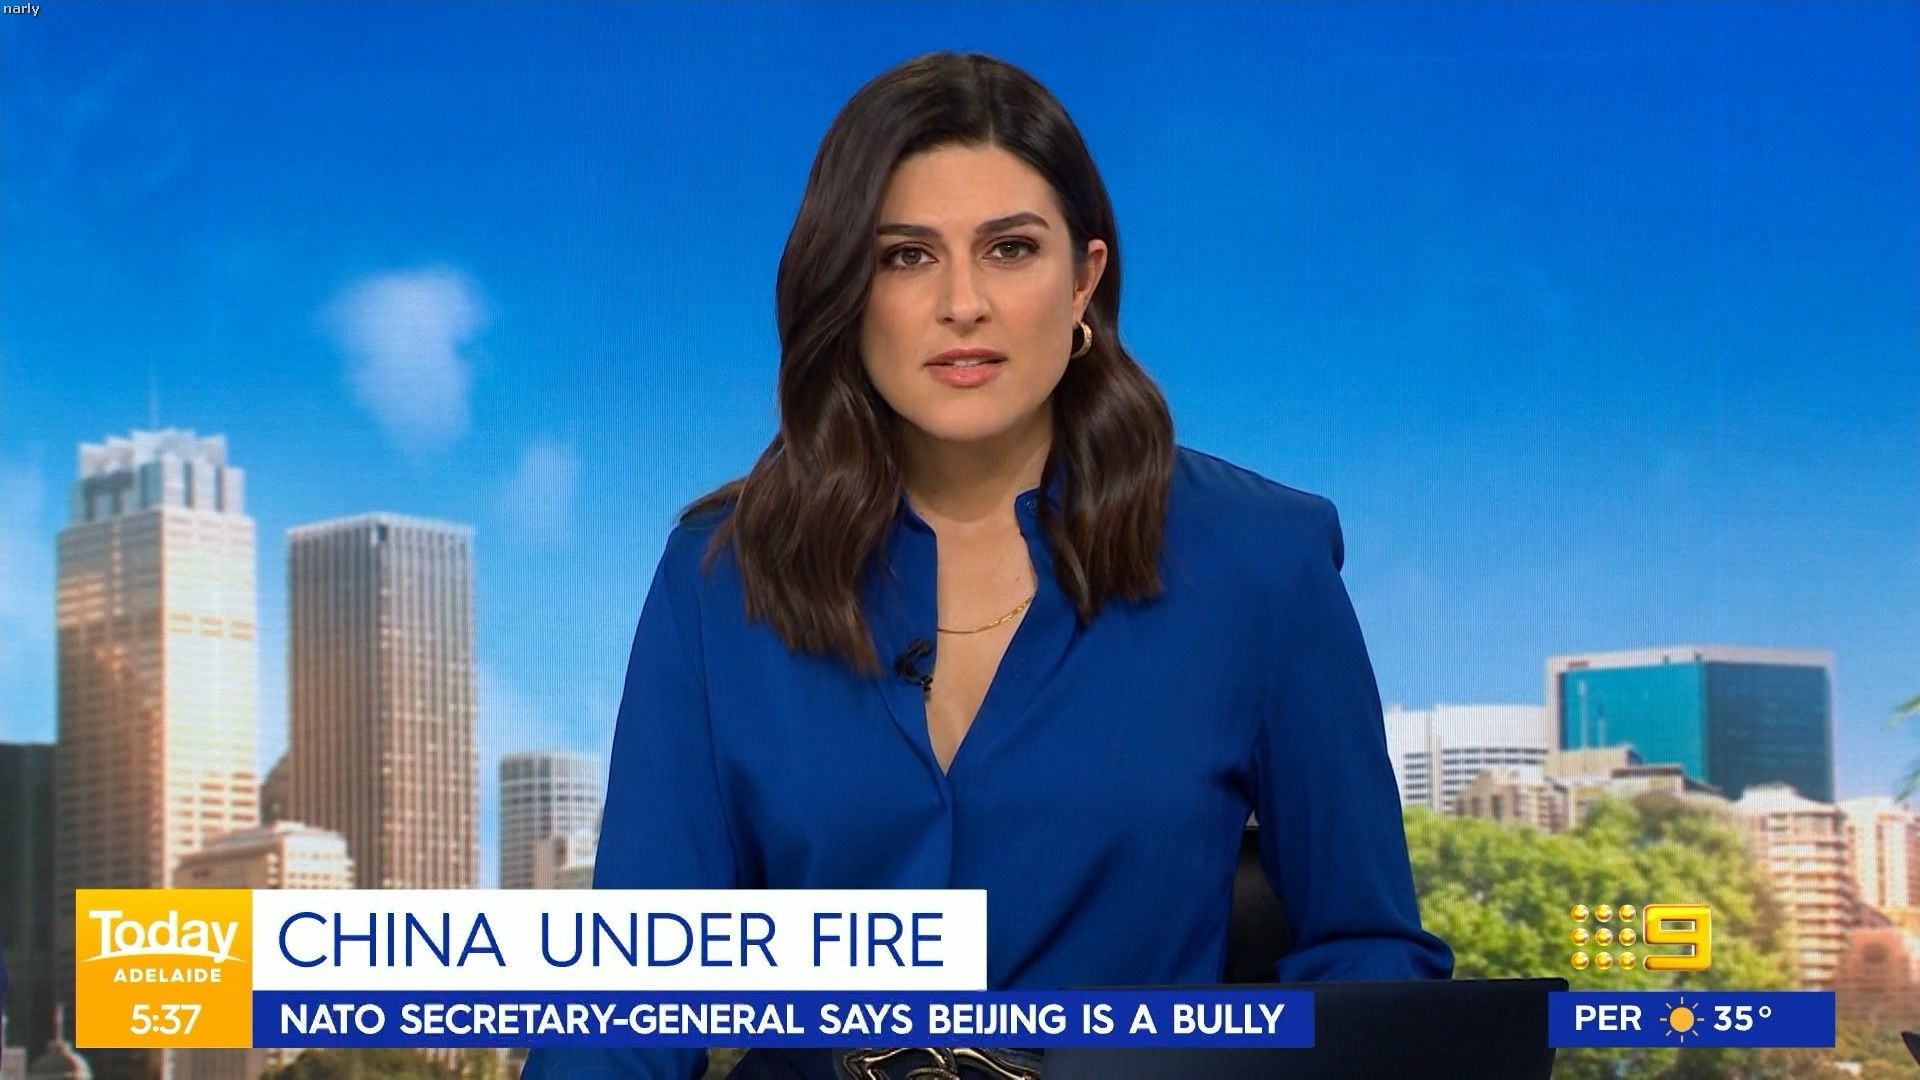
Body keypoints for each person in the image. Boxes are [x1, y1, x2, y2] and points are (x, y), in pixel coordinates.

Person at [522, 50, 1451, 1080]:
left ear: (1084, 279)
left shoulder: (1262, 562)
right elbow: (628, 1005)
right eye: (905, 257)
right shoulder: (718, 581)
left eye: (1010, 249)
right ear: (846, 291)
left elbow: (1369, 958)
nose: (962, 303)